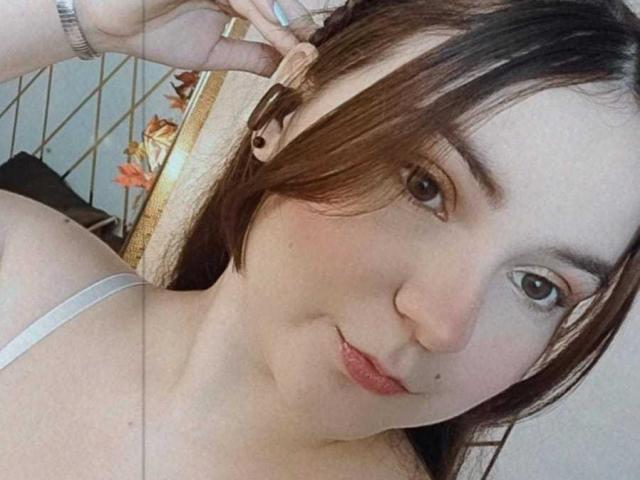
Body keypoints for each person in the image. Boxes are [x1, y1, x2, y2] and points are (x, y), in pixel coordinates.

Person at [1, 0, 639, 479]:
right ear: (284, 110)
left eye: (538, 286)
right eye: (424, 186)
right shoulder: (21, 279)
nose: (444, 326)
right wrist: (75, 18)